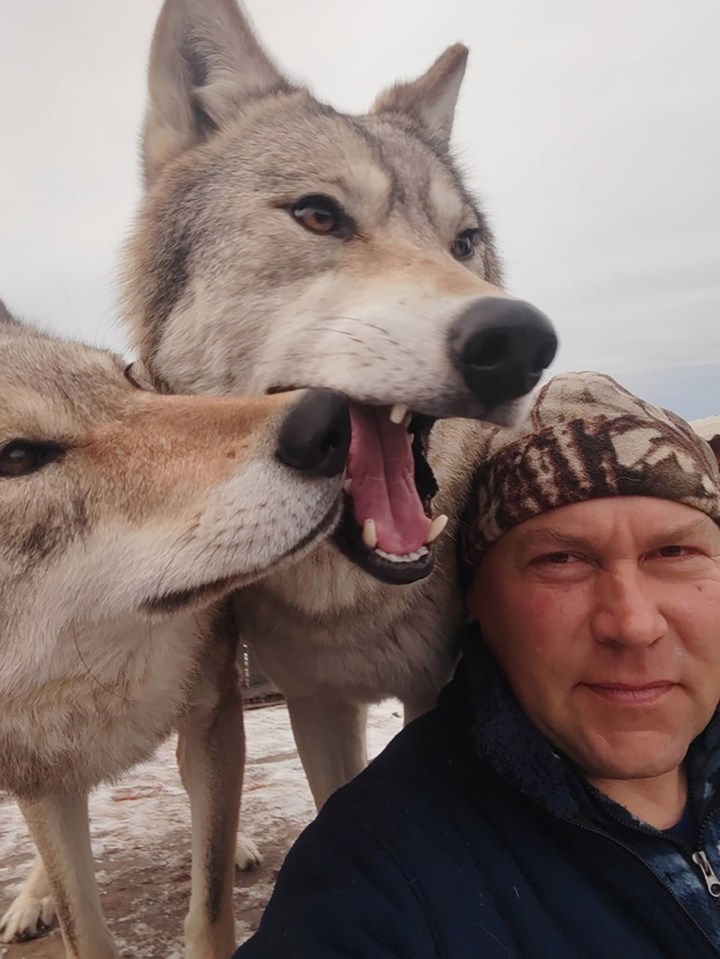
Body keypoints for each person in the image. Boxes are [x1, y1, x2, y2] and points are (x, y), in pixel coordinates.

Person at [233, 371, 720, 959]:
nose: (634, 624)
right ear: (475, 598)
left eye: (673, 552)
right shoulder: (382, 868)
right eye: (561, 559)